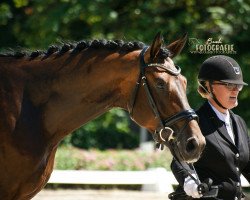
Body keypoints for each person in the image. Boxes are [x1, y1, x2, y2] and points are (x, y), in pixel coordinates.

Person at [170, 55, 250, 200]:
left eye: (238, 86)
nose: (236, 90)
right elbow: (179, 161)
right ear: (207, 86)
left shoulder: (239, 122)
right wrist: (191, 184)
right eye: (229, 85)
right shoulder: (195, 123)